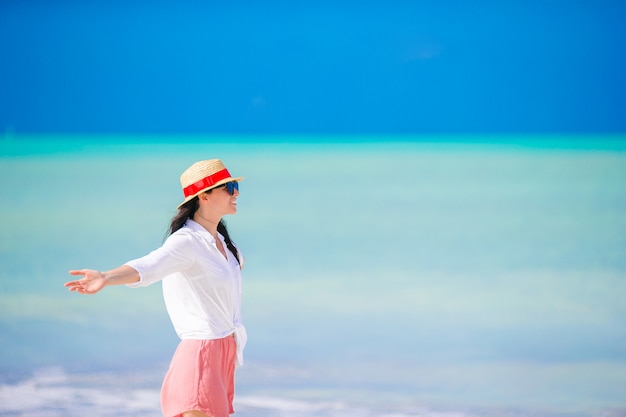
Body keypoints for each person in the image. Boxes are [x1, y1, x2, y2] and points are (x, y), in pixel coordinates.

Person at [64, 159, 247, 417]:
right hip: (201, 358)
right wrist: (106, 276)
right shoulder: (186, 242)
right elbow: (148, 266)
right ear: (204, 195)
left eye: (235, 185)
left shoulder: (225, 246)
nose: (236, 192)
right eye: (228, 187)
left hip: (222, 357)